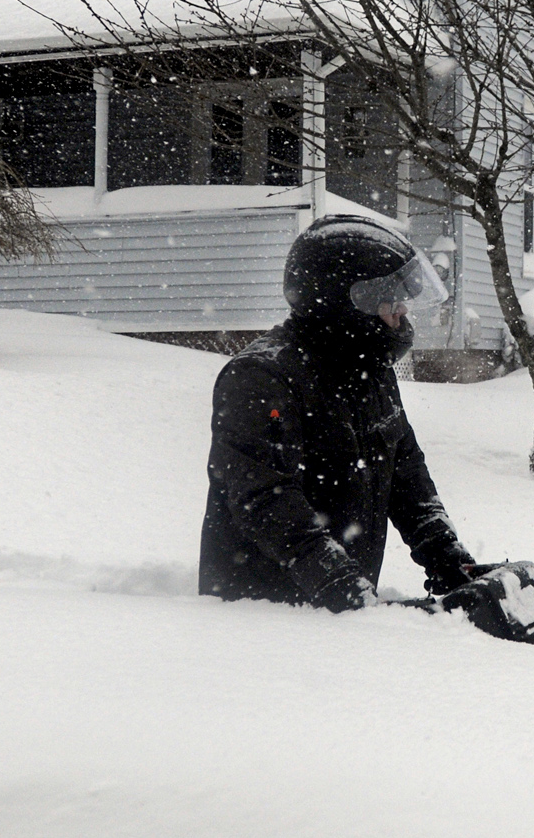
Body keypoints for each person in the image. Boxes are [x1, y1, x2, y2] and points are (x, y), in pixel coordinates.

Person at [200, 215, 478, 610]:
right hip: (261, 619)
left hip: (339, 616)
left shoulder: (370, 371)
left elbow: (406, 476)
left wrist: (449, 559)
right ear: (344, 302)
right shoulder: (262, 378)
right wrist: (343, 588)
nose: (401, 310)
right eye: (389, 297)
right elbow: (266, 501)